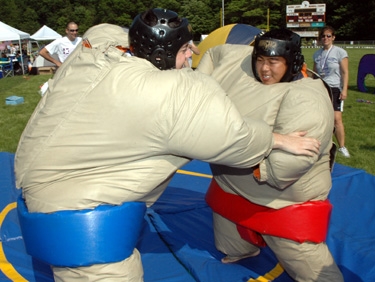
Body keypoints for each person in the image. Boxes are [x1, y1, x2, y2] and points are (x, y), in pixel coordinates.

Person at [15, 10, 320, 282]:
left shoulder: (97, 48)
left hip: (39, 179)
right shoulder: (171, 95)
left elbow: (105, 30)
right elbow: (235, 140)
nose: (193, 54)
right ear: (162, 53)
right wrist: (277, 139)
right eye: (186, 49)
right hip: (77, 218)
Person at [197, 29, 343, 281]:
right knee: (230, 244)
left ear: (292, 63)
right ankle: (242, 248)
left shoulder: (306, 97)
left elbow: (282, 169)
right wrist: (200, 86)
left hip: (280, 201)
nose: (265, 69)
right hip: (230, 190)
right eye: (260, 60)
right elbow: (214, 54)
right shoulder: (238, 62)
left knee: (315, 274)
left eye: (274, 62)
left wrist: (231, 152)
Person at [313, 26, 350, 158]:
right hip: (320, 87)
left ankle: (342, 147)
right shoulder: (317, 54)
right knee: (320, 118)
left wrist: (344, 89)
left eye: (328, 36)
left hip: (334, 88)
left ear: (333, 37)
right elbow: (314, 73)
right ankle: (323, 144)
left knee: (336, 119)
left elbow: (345, 72)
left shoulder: (340, 52)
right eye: (323, 36)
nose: (325, 38)